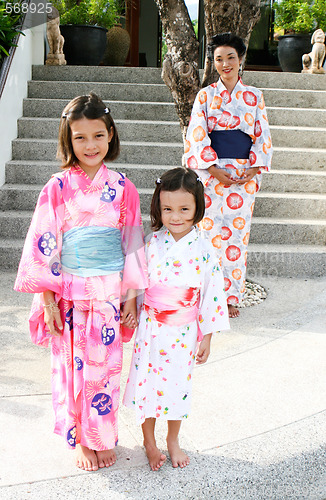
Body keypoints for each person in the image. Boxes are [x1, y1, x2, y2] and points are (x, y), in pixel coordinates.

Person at [14, 92, 147, 472]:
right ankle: (79, 439)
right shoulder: (56, 187)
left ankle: (102, 436)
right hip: (69, 292)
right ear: (67, 140)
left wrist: (131, 296)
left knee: (105, 368)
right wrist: (47, 299)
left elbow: (133, 242)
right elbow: (44, 242)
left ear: (111, 136)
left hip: (107, 291)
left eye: (98, 136)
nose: (90, 145)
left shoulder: (124, 188)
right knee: (71, 368)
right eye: (80, 138)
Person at [123, 167, 230, 471]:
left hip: (183, 331)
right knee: (146, 384)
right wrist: (130, 303)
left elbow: (211, 294)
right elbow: (135, 275)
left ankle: (172, 439)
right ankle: (149, 440)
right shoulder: (151, 242)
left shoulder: (205, 249)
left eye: (185, 209)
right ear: (158, 207)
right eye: (168, 209)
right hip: (151, 326)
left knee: (176, 387)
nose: (176, 216)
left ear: (198, 207)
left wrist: (207, 335)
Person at [184, 33, 273, 318]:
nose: (225, 64)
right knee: (208, 235)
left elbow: (262, 136)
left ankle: (231, 297)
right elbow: (197, 134)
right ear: (213, 62)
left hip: (244, 174)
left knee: (237, 236)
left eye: (230, 58)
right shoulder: (205, 95)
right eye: (218, 59)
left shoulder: (254, 96)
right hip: (212, 174)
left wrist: (254, 168)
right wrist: (211, 169)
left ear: (240, 59)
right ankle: (206, 295)